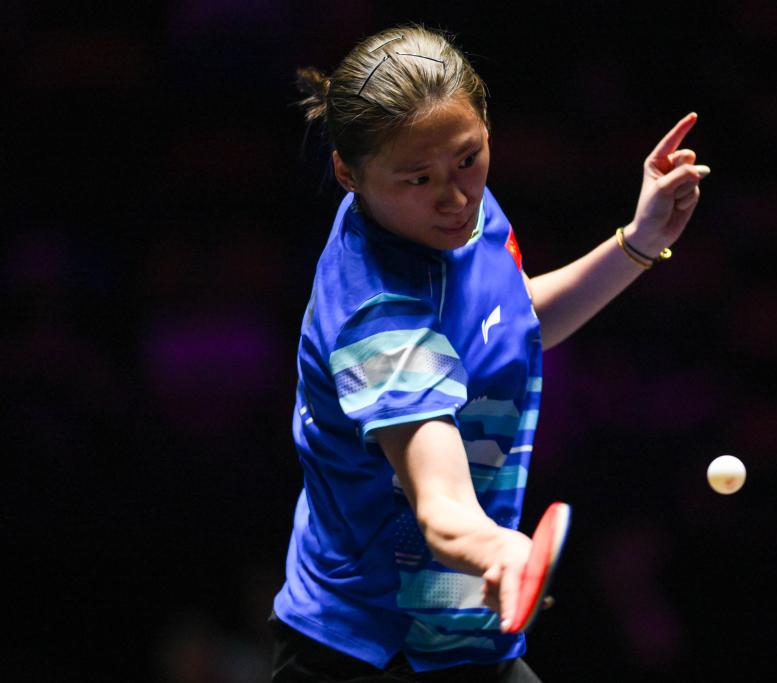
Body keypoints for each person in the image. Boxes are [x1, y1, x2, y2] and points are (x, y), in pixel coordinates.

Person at [270, 24, 709, 682]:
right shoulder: (380, 322)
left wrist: (638, 243)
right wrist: (496, 550)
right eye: (418, 179)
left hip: (455, 622)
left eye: (468, 159)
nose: (454, 196)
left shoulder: (455, 214)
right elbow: (439, 502)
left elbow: (508, 323)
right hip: (370, 650)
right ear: (347, 173)